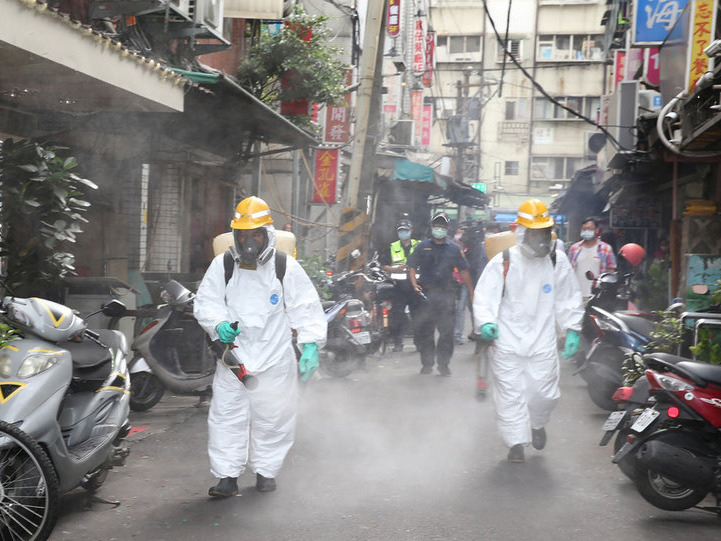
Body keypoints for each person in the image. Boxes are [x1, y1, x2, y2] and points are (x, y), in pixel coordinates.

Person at [194, 196, 327, 498]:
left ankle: (267, 471)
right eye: (243, 234)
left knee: (274, 417)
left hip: (275, 356)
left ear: (267, 233)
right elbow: (206, 303)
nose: (249, 241)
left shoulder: (285, 267)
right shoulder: (223, 264)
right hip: (234, 358)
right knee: (227, 417)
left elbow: (306, 307)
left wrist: (310, 346)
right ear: (236, 236)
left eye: (255, 234)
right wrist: (218, 325)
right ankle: (227, 476)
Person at [472, 199, 583, 463]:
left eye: (544, 232)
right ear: (523, 232)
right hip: (507, 340)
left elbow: (568, 297)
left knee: (544, 393)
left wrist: (572, 329)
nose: (541, 239)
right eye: (535, 233)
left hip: (542, 341)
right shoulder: (505, 261)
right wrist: (486, 322)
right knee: (510, 395)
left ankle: (537, 424)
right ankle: (515, 444)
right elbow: (485, 296)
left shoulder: (557, 260)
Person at [408, 212, 474, 376]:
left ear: (447, 229)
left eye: (442, 226)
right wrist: (414, 284)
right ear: (432, 227)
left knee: (446, 332)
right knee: (426, 331)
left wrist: (471, 292)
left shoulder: (454, 248)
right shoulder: (422, 246)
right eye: (436, 225)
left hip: (446, 295)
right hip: (426, 295)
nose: (439, 229)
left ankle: (443, 364)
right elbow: (412, 267)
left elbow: (464, 270)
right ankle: (427, 363)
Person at [380, 218, 419, 352]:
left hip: (415, 286)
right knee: (397, 316)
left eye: (406, 230)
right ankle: (398, 344)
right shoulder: (392, 246)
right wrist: (395, 269)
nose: (403, 233)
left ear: (411, 231)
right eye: (401, 231)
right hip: (398, 287)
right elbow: (383, 265)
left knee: (417, 315)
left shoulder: (419, 245)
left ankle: (419, 343)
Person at [567, 217, 617, 302]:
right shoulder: (574, 248)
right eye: (584, 229)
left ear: (597, 230)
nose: (586, 231)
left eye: (590, 229)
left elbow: (611, 272)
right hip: (576, 296)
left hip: (597, 296)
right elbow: (568, 271)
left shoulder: (606, 249)